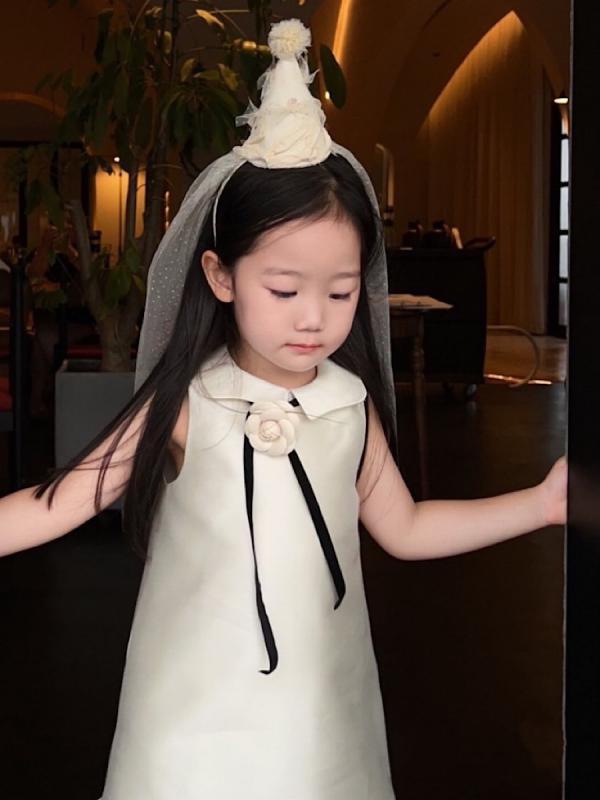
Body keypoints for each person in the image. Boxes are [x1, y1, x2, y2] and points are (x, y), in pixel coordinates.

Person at [0, 19, 566, 800]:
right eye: (284, 289)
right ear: (220, 275)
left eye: (341, 292)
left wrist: (540, 504)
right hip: (191, 700)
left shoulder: (348, 405)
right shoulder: (188, 401)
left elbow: (405, 528)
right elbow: (60, 502)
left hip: (318, 704)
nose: (314, 319)